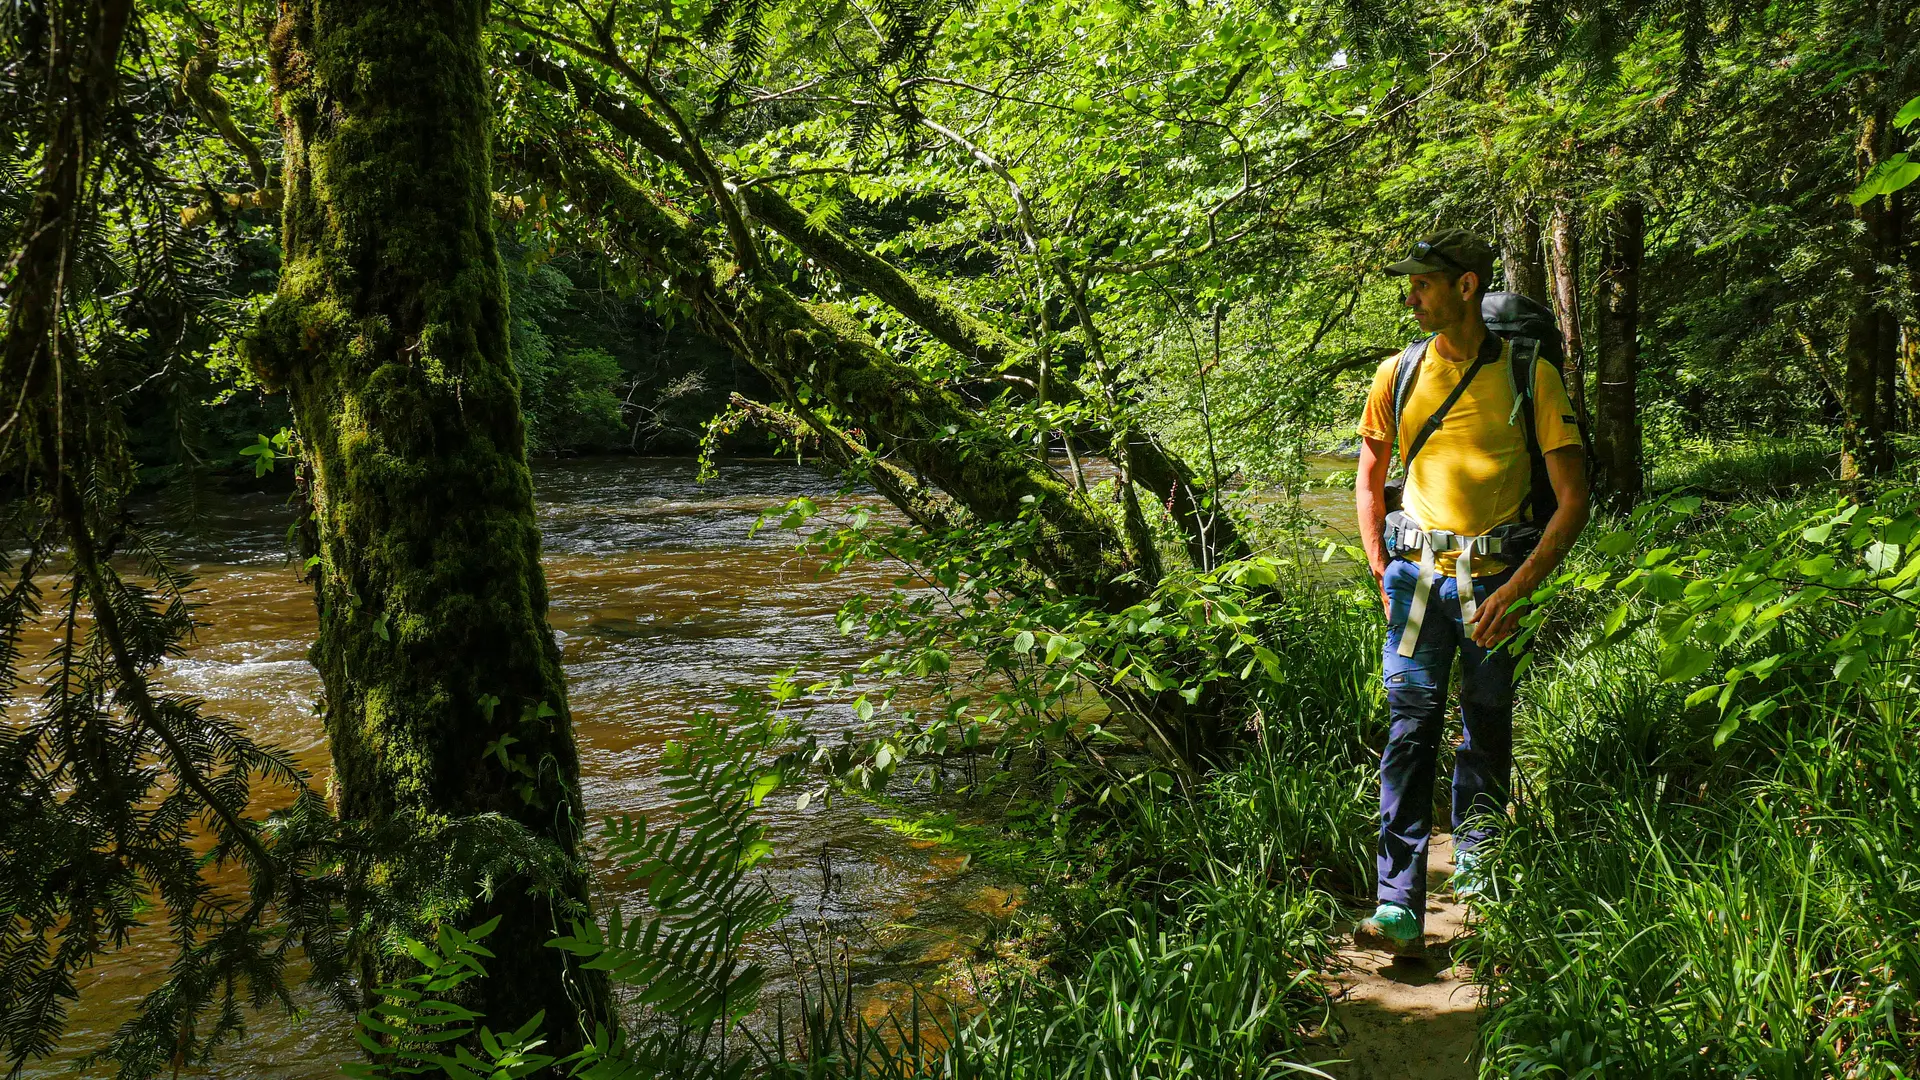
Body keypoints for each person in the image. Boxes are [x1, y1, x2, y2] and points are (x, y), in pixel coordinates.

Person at [1350, 229, 1591, 957]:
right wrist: (1379, 567)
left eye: (1423, 283)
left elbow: (1573, 499)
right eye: (1411, 283)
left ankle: (1483, 885)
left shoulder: (1528, 375)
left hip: (1496, 585)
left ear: (1466, 285)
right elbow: (1369, 476)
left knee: (1485, 728)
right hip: (1415, 584)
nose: (1411, 296)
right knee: (1408, 730)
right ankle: (1397, 903)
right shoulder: (1397, 373)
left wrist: (1520, 587)